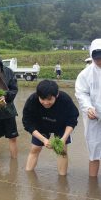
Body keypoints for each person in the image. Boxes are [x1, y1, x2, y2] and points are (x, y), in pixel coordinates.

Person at [23, 80, 79, 175]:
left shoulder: (65, 99)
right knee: (35, 148)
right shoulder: (32, 100)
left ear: (56, 95)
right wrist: (44, 140)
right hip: (41, 124)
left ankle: (62, 178)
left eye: (49, 99)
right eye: (42, 99)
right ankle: (29, 175)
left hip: (61, 125)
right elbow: (27, 123)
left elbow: (72, 119)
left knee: (62, 151)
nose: (45, 102)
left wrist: (64, 138)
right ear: (38, 95)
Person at [75, 38, 101, 177]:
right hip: (94, 117)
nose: (100, 61)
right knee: (94, 150)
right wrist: (88, 108)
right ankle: (92, 184)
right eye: (97, 59)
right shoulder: (85, 74)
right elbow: (81, 93)